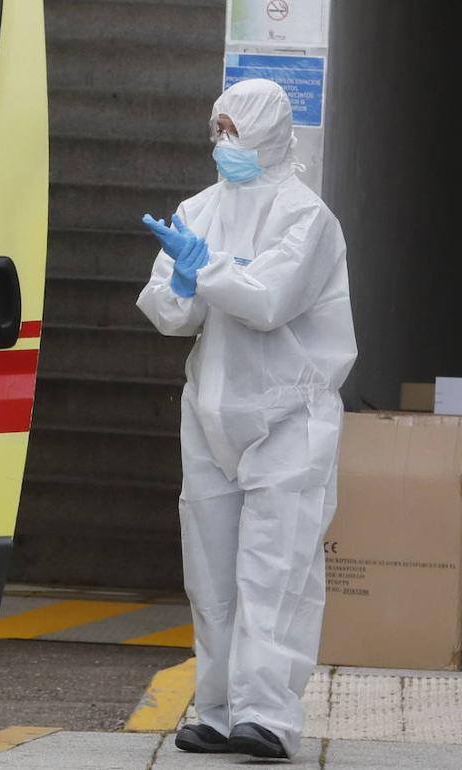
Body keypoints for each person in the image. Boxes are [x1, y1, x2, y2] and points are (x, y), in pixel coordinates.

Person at [135, 78, 357, 759]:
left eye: (235, 129)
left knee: (275, 569)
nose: (222, 142)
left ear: (270, 132)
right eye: (218, 128)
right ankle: (218, 709)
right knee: (210, 572)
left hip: (288, 415)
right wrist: (181, 283)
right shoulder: (198, 209)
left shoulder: (305, 216)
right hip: (211, 412)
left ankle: (267, 716)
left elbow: (269, 301)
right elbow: (169, 312)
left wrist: (206, 268)